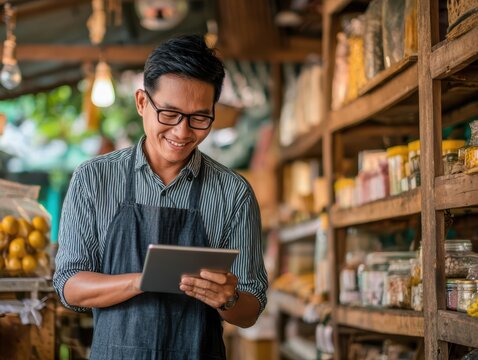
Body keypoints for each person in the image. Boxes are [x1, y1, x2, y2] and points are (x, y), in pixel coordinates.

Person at [53, 35, 268, 360]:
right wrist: (142, 280)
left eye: (199, 118)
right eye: (169, 114)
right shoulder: (94, 179)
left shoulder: (233, 192)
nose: (182, 132)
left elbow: (250, 309)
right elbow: (69, 286)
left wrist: (229, 299)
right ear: (142, 102)